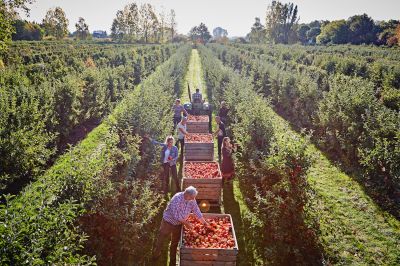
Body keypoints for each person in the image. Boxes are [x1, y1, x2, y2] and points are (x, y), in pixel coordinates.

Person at [153, 186, 208, 266]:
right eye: (192, 197)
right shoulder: (177, 198)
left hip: (178, 225)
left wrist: (204, 222)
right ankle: (156, 253)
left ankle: (172, 262)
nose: (193, 199)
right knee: (162, 237)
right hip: (168, 222)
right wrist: (186, 223)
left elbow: (196, 210)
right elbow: (176, 216)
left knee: (174, 243)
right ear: (187, 194)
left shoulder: (192, 199)